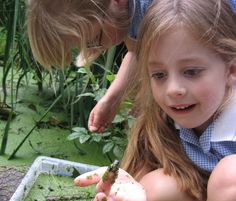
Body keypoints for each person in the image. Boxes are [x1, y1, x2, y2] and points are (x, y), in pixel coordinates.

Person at [74, 0, 236, 201]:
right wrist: (133, 194)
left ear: (230, 70)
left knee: (229, 178)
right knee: (149, 188)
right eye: (159, 74)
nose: (174, 88)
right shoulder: (182, 112)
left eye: (191, 71)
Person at [27, 0, 153, 132]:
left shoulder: (156, 10)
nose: (99, 48)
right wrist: (110, 100)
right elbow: (135, 53)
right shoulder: (127, 12)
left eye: (93, 40)